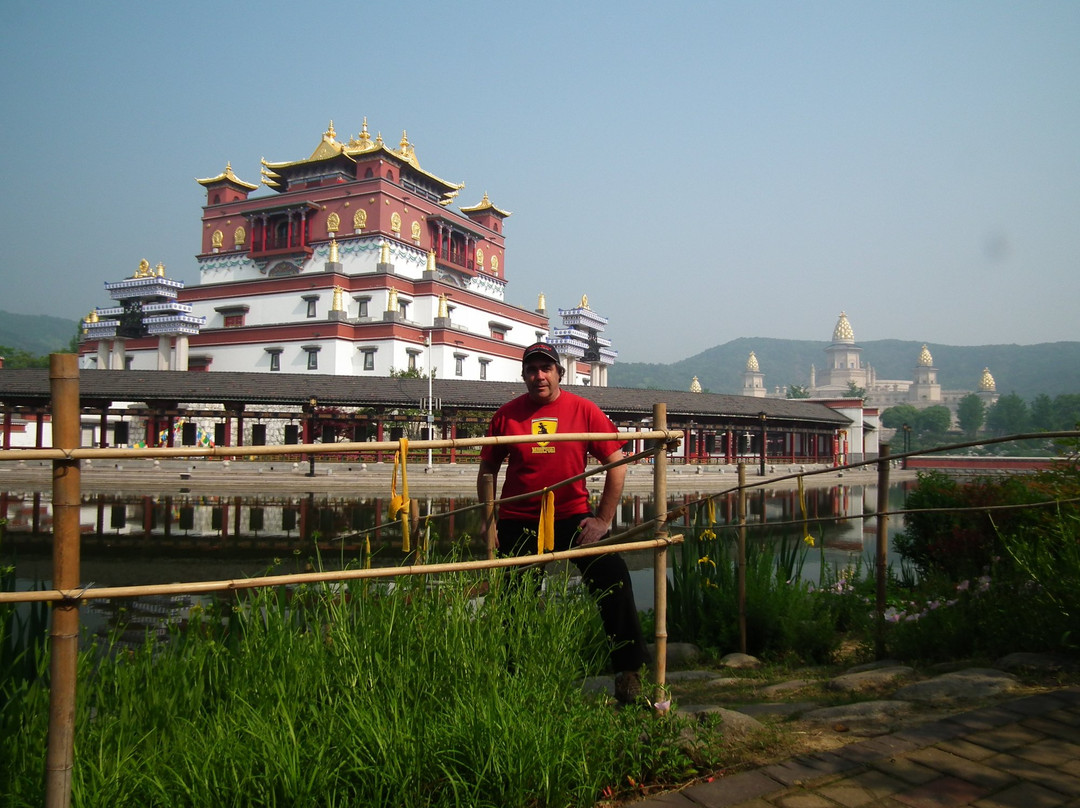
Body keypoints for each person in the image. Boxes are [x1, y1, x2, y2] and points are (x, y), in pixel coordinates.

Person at [476, 342, 649, 704]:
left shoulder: (583, 410)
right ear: (523, 375)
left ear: (559, 373)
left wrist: (602, 519)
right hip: (519, 518)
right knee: (514, 601)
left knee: (614, 576)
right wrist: (488, 520)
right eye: (531, 370)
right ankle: (516, 681)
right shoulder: (507, 415)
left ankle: (628, 673)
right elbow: (488, 469)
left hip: (573, 517)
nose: (539, 376)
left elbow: (617, 463)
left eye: (546, 368)